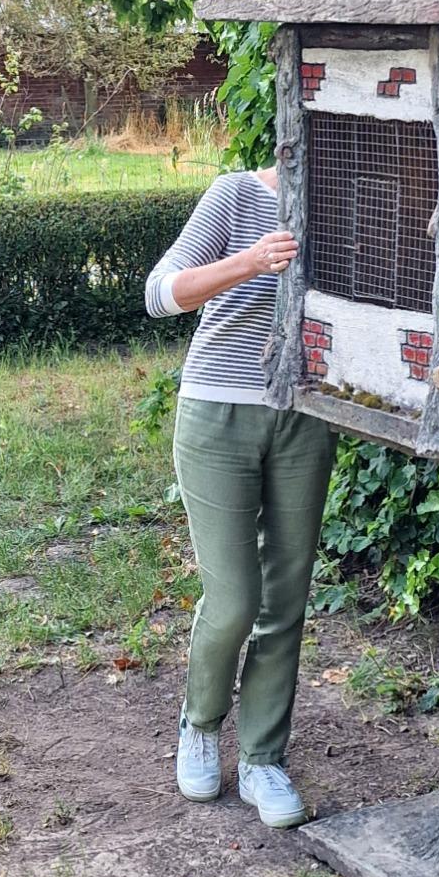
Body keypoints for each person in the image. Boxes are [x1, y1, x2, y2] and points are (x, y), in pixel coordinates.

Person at [144, 165, 337, 828]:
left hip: (305, 415)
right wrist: (251, 261)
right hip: (217, 415)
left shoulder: (346, 198)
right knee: (234, 600)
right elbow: (161, 293)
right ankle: (199, 724)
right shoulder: (237, 194)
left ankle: (262, 759)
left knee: (285, 599)